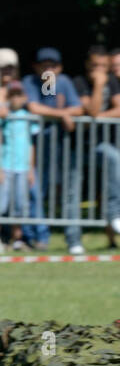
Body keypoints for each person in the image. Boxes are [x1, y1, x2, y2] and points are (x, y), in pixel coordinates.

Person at [22, 47, 85, 253]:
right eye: (44, 65)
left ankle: (72, 239)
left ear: (60, 68)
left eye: (53, 65)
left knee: (67, 193)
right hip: (34, 149)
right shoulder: (29, 83)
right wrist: (63, 115)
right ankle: (38, 237)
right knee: (36, 191)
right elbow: (33, 108)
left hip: (62, 148)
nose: (48, 69)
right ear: (36, 67)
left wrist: (62, 114)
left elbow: (78, 109)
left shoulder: (65, 82)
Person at [73, 45, 120, 248]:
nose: (99, 70)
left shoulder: (113, 82)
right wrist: (98, 86)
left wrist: (98, 118)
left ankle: (114, 219)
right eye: (95, 65)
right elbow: (93, 108)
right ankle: (74, 240)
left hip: (104, 144)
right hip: (79, 147)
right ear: (88, 64)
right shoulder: (79, 82)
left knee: (113, 164)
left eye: (103, 66)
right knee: (72, 191)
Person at [0, 83, 39, 251]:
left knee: (20, 205)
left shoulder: (28, 117)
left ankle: (18, 239)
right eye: (12, 95)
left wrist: (31, 169)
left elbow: (31, 145)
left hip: (23, 168)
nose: (15, 98)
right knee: (2, 204)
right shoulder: (4, 117)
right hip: (6, 165)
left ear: (24, 98)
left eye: (19, 95)